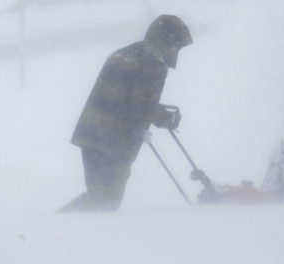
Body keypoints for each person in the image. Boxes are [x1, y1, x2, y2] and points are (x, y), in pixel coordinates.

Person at [58, 15, 193, 212]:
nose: (176, 52)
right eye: (177, 46)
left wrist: (157, 113)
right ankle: (55, 227)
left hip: (91, 133)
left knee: (98, 196)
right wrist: (166, 118)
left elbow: (129, 97)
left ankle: (68, 232)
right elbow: (141, 105)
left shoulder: (125, 53)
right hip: (115, 140)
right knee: (106, 201)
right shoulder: (154, 61)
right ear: (169, 41)